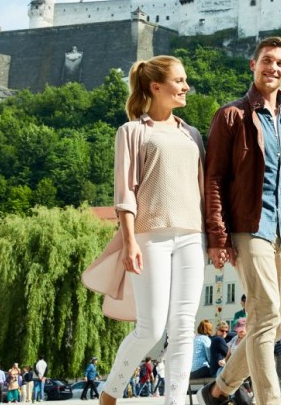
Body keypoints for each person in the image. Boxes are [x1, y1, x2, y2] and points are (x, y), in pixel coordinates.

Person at [84, 56, 207, 405]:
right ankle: (111, 391)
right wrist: (130, 241)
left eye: (185, 80)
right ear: (156, 87)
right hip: (149, 235)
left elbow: (201, 189)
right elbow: (124, 193)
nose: (185, 87)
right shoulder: (132, 132)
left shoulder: (192, 134)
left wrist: (212, 238)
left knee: (183, 326)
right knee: (151, 327)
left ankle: (175, 401)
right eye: (179, 81)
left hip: (192, 236)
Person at [198, 36, 281, 405]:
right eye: (267, 60)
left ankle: (218, 391)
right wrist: (218, 235)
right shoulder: (231, 115)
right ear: (253, 65)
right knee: (264, 316)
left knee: (277, 324)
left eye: (280, 63)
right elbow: (214, 178)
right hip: (250, 227)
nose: (272, 68)